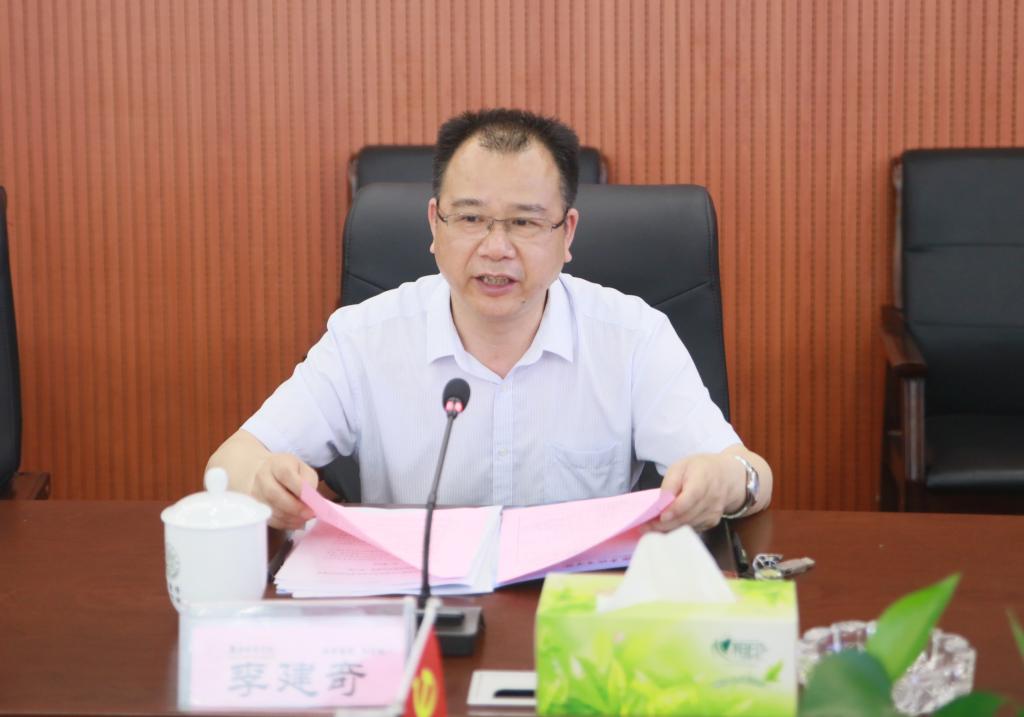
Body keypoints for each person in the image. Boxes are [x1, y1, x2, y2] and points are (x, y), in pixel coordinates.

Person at [208, 108, 772, 532]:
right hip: (419, 609)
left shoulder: (631, 336)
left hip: (574, 612)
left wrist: (727, 481)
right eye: (471, 219)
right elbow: (231, 461)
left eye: (524, 223)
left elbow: (753, 476)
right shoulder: (364, 336)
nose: (496, 248)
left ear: (567, 233)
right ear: (435, 225)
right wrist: (262, 481)